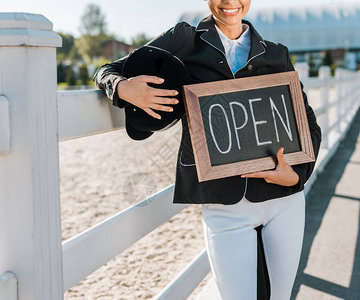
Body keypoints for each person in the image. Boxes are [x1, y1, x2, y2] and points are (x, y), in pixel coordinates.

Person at [94, 0, 321, 299]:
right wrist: (121, 88)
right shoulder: (183, 40)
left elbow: (307, 125)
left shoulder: (276, 53)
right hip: (224, 207)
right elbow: (106, 70)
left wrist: (296, 177)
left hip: (284, 201)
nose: (229, 2)